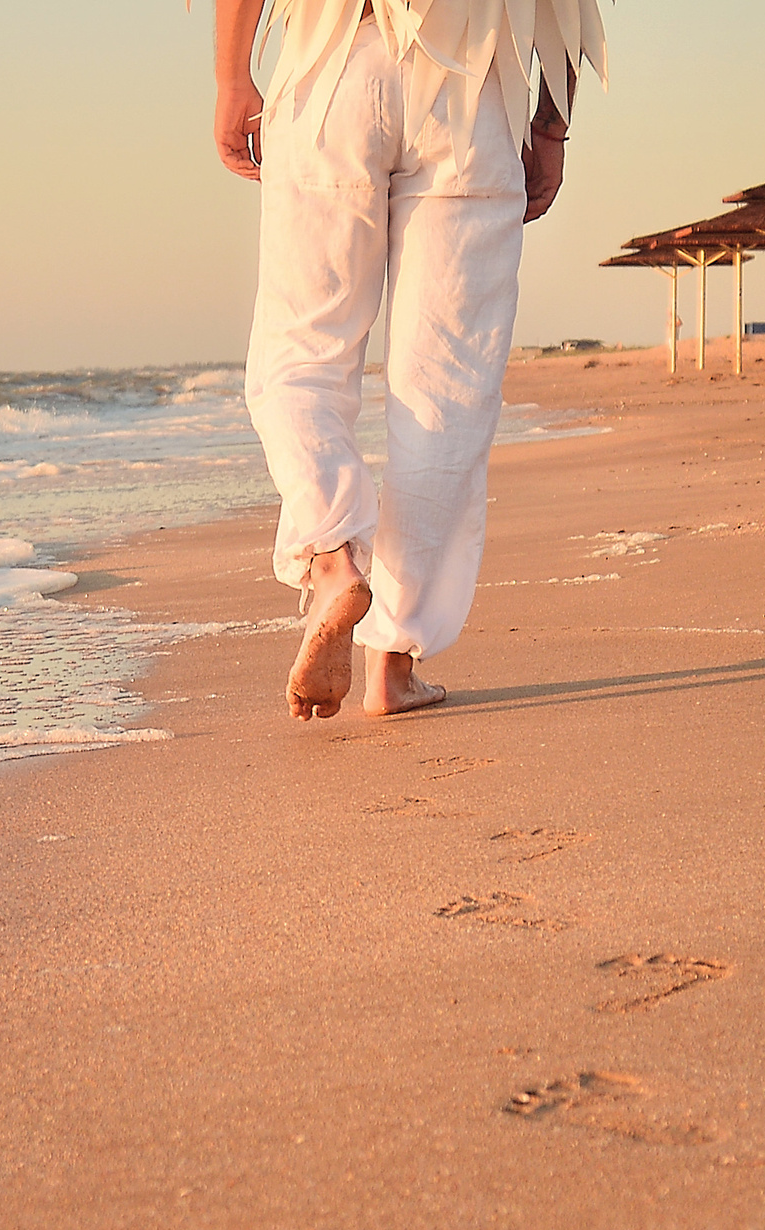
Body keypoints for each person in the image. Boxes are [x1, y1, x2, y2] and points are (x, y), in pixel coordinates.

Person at [212, 0, 604, 718]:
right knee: (446, 386)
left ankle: (332, 559)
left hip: (333, 67)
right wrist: (550, 122)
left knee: (301, 352)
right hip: (473, 83)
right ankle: (393, 662)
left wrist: (232, 77)